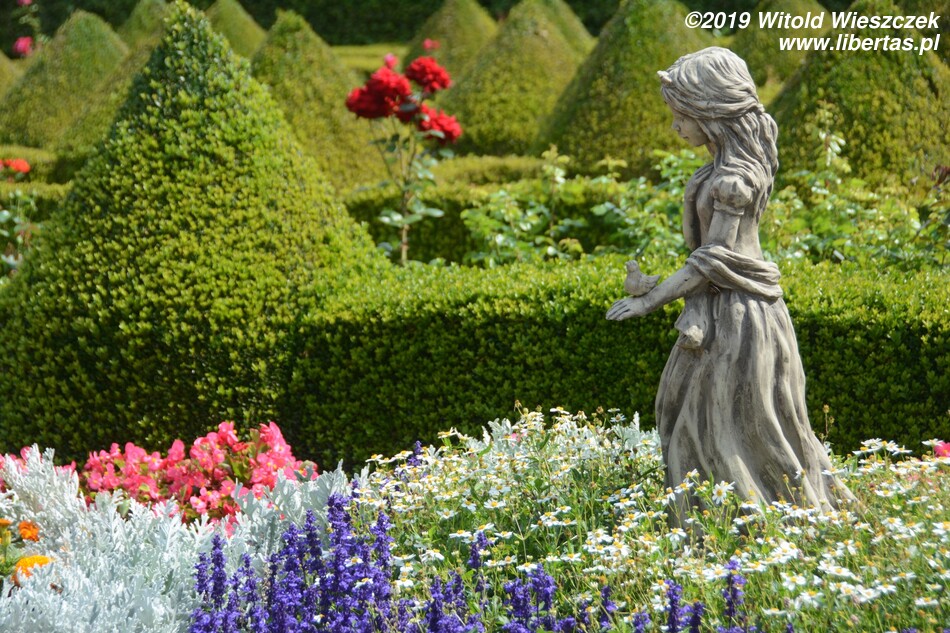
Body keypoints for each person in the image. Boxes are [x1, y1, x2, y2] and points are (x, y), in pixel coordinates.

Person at [606, 47, 855, 519]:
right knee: (685, 412)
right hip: (718, 312)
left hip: (741, 321)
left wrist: (651, 300)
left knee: (729, 425)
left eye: (682, 116)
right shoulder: (717, 171)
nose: (675, 127)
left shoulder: (735, 180)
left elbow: (714, 259)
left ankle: (753, 523)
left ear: (712, 113)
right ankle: (714, 521)